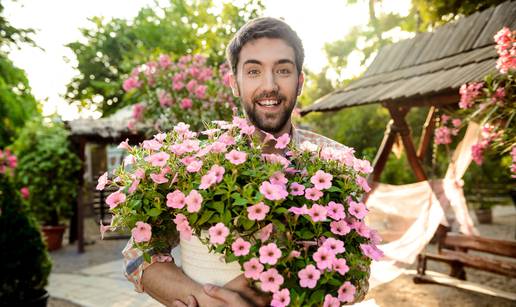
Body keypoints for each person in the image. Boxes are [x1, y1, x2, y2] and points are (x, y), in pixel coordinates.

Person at [122, 17, 363, 306]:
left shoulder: (337, 164)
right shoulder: (193, 161)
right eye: (253, 71)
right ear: (234, 83)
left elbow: (358, 276)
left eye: (283, 70)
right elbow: (138, 256)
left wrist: (266, 284)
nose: (269, 85)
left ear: (299, 82)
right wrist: (205, 299)